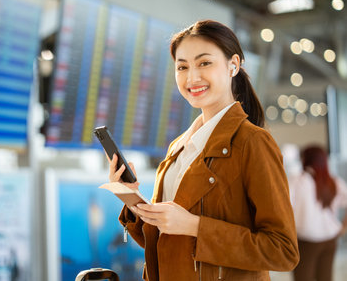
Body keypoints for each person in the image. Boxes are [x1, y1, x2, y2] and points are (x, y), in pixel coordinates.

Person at [107, 19, 299, 280]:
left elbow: (283, 250)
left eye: (204, 63)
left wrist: (194, 226)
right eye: (182, 67)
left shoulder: (252, 142)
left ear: (234, 65)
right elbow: (167, 243)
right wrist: (131, 200)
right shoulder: (179, 146)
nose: (192, 77)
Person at [290, 145, 347, 281]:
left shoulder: (298, 181)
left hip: (306, 240)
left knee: (303, 278)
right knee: (325, 278)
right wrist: (343, 228)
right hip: (330, 239)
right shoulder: (333, 181)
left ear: (305, 159)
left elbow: (283, 207)